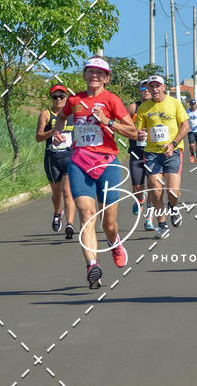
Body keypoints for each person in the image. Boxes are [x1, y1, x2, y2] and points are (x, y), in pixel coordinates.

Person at [52, 57, 138, 288]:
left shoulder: (112, 100)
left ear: (107, 78)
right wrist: (57, 133)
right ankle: (92, 266)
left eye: (100, 73)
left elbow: (133, 131)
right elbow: (61, 117)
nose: (94, 76)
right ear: (84, 75)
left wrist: (108, 122)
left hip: (107, 163)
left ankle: (114, 242)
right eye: (90, 72)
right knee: (86, 215)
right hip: (80, 162)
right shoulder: (74, 100)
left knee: (109, 222)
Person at [135, 75, 190, 239]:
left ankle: (173, 207)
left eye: (157, 86)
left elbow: (186, 126)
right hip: (152, 153)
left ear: (164, 87)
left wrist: (173, 143)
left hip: (172, 152)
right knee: (156, 190)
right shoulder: (143, 108)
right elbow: (138, 131)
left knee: (173, 192)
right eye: (151, 86)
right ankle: (162, 224)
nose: (154, 89)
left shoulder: (174, 103)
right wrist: (140, 134)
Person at [36, 84, 76, 238]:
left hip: (69, 156)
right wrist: (52, 132)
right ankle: (58, 212)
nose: (58, 99)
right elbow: (38, 137)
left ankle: (70, 224)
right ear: (51, 98)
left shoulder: (72, 114)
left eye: (61, 96)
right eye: (55, 97)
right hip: (52, 158)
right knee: (57, 193)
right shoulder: (46, 114)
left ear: (65, 98)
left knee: (68, 192)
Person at [126, 80, 149, 220]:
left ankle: (149, 219)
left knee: (154, 185)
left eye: (148, 88)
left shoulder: (157, 107)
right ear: (139, 90)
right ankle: (140, 198)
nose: (146, 90)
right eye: (143, 88)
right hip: (136, 151)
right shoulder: (133, 107)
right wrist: (135, 133)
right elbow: (123, 126)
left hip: (153, 152)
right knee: (137, 188)